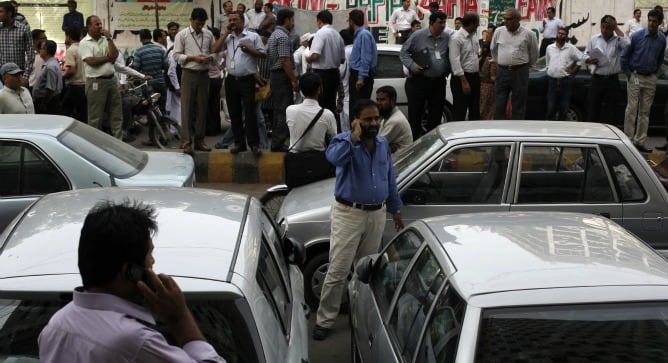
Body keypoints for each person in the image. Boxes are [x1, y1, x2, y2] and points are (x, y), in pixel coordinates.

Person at [37, 200, 226, 363]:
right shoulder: (135, 342)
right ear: (130, 272)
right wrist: (179, 317)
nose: (153, 262)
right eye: (149, 254)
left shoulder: (55, 325)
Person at [312, 99, 404, 341]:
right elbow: (334, 159)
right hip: (349, 214)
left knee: (366, 269)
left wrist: (395, 209)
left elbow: (389, 178)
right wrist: (354, 136)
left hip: (376, 214)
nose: (374, 123)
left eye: (376, 118)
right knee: (339, 269)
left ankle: (361, 314)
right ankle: (324, 319)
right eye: (368, 119)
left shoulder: (383, 144)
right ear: (357, 121)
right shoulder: (344, 141)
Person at [174, 7, 226, 154]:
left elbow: (215, 54)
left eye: (202, 24)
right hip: (188, 73)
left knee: (202, 108)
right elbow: (176, 56)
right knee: (187, 109)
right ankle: (186, 142)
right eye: (197, 23)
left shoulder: (208, 34)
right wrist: (193, 58)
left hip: (204, 74)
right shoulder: (182, 35)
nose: (200, 26)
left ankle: (199, 140)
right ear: (191, 20)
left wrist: (210, 58)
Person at [221, 10, 266, 155]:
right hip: (231, 80)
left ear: (242, 21)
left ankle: (254, 144)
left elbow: (263, 54)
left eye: (235, 20)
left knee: (250, 113)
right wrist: (224, 34)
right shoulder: (228, 38)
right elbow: (214, 49)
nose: (232, 23)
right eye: (230, 20)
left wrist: (249, 50)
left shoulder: (253, 36)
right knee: (234, 114)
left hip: (247, 80)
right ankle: (239, 143)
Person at [400, 11, 450, 140]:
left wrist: (446, 69)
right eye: (440, 22)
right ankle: (414, 145)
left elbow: (450, 56)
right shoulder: (417, 36)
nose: (443, 25)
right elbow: (403, 53)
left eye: (444, 22)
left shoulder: (446, 37)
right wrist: (412, 66)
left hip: (438, 82)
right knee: (416, 115)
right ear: (432, 23)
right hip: (419, 81)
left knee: (436, 116)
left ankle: (432, 147)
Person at [621, 9, 666, 153]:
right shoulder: (636, 36)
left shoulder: (661, 39)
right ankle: (628, 141)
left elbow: (660, 59)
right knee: (632, 109)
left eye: (655, 21)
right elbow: (624, 57)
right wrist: (629, 74)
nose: (652, 23)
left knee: (645, 112)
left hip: (650, 78)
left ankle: (639, 142)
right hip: (635, 76)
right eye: (650, 20)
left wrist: (655, 74)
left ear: (660, 23)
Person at [79, 15, 125, 138]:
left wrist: (109, 39)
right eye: (97, 24)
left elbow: (114, 55)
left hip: (111, 80)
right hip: (96, 83)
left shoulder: (105, 39)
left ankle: (118, 142)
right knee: (95, 117)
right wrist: (108, 58)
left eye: (100, 24)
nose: (100, 26)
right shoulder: (84, 43)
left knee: (116, 114)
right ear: (89, 27)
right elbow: (91, 62)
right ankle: (95, 146)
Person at [490, 8, 538, 120]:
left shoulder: (528, 34)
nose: (505, 21)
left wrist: (526, 66)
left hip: (520, 72)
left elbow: (534, 54)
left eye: (508, 19)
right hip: (502, 71)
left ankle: (517, 133)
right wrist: (500, 62)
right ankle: (499, 132)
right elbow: (493, 49)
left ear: (517, 20)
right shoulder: (499, 31)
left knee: (519, 104)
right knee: (499, 103)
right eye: (504, 19)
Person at [584, 15, 630, 124]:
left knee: (612, 109)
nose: (604, 30)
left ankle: (609, 136)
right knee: (593, 108)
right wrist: (588, 60)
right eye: (603, 27)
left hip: (612, 80)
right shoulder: (594, 39)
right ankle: (592, 133)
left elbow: (628, 44)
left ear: (613, 28)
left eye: (608, 28)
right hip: (597, 79)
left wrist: (616, 28)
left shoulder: (617, 40)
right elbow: (584, 54)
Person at [306, 10, 345, 130]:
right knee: (331, 107)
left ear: (319, 21)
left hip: (321, 75)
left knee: (320, 107)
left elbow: (315, 55)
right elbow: (342, 59)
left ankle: (322, 137)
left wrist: (308, 58)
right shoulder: (337, 35)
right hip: (334, 74)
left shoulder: (321, 33)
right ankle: (334, 135)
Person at [267, 9, 299, 152]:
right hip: (281, 75)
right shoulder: (283, 37)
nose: (293, 23)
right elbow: (285, 60)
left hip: (276, 75)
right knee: (283, 110)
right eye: (292, 20)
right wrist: (293, 80)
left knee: (278, 109)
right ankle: (278, 143)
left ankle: (276, 142)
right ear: (287, 20)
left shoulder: (275, 34)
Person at [287, 72, 337, 152]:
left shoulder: (290, 110)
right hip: (317, 160)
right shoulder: (328, 114)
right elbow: (334, 139)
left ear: (300, 90)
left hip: (295, 159)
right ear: (319, 89)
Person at [545, 27, 584, 120]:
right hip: (552, 81)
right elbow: (547, 63)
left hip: (565, 81)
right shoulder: (549, 48)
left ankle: (562, 129)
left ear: (566, 36)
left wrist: (574, 70)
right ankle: (549, 128)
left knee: (564, 107)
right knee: (551, 106)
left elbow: (582, 58)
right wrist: (549, 70)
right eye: (559, 33)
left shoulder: (571, 48)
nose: (560, 35)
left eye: (563, 34)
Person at [449, 12, 480, 121]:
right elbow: (455, 61)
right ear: (471, 24)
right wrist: (464, 81)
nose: (479, 26)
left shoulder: (473, 37)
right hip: (462, 79)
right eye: (477, 23)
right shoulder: (456, 38)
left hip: (474, 77)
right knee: (460, 110)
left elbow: (475, 56)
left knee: (475, 110)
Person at [347, 9, 377, 120]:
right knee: (356, 108)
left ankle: (359, 134)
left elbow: (366, 57)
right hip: (357, 74)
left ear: (351, 21)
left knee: (359, 109)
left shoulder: (364, 35)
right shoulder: (360, 34)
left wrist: (361, 78)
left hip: (360, 76)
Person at [132, 29, 168, 114]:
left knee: (151, 109)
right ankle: (164, 125)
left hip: (148, 84)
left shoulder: (139, 51)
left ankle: (153, 126)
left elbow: (136, 69)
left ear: (140, 39)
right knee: (162, 108)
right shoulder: (160, 49)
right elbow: (166, 66)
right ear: (151, 37)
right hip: (161, 82)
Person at [0, 1, 33, 88]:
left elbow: (30, 53)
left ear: (9, 13)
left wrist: (26, 76)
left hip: (18, 75)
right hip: (2, 76)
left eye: (1, 11)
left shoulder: (23, 29)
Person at [376, 85, 412, 153]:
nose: (378, 103)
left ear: (392, 101)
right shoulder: (386, 117)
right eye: (377, 100)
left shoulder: (395, 121)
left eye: (382, 100)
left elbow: (376, 146)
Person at [62, 25, 87, 122]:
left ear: (68, 37)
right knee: (83, 115)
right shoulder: (84, 48)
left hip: (75, 87)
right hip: (85, 86)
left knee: (66, 113)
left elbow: (72, 70)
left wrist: (62, 76)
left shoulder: (71, 50)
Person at [32, 40, 62, 114]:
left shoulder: (50, 67)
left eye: (41, 48)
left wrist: (43, 104)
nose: (39, 50)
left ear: (46, 51)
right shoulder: (52, 63)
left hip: (47, 102)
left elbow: (50, 89)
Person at [479, 37, 496, 120]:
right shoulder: (491, 61)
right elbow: (493, 78)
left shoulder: (481, 59)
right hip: (490, 88)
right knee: (489, 111)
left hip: (482, 86)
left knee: (482, 109)